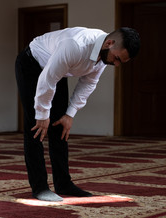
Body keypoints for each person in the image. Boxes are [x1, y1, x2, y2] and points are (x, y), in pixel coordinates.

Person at [15, 27, 141, 201]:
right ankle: (40, 188)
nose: (116, 64)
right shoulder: (75, 45)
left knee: (60, 127)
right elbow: (48, 78)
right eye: (117, 59)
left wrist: (70, 114)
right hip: (32, 64)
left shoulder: (105, 55)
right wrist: (42, 114)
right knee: (36, 128)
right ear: (109, 43)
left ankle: (63, 183)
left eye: (121, 62)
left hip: (57, 72)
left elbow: (88, 84)